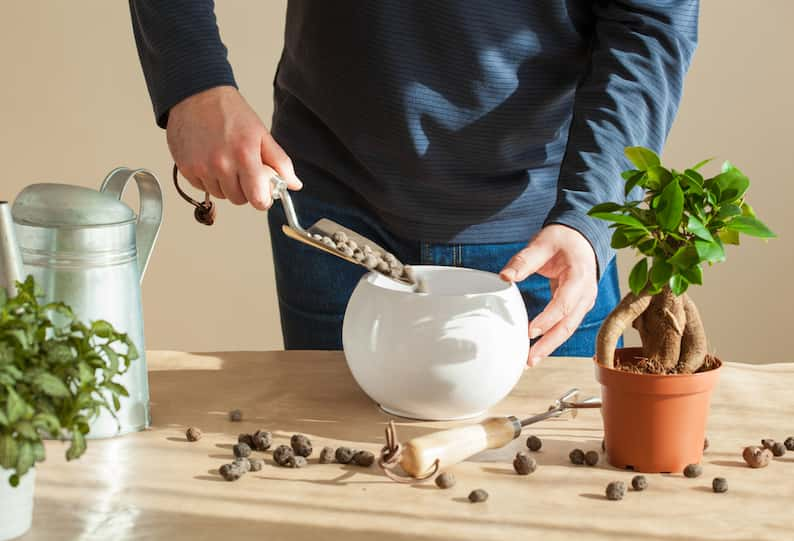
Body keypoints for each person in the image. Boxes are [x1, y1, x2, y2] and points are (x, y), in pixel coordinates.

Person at [129, 1, 698, 363]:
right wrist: (193, 82)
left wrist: (590, 212)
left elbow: (649, 18)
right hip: (331, 210)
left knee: (554, 501)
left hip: (548, 240)